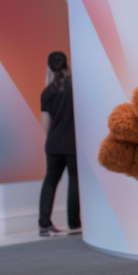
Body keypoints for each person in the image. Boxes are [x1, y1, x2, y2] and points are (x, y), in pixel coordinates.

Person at [39, 51, 81, 236]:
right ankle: (74, 225)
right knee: (74, 180)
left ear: (49, 67)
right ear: (66, 65)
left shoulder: (47, 92)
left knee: (50, 181)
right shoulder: (76, 87)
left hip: (54, 144)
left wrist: (55, 137)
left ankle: (44, 224)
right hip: (73, 144)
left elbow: (46, 125)